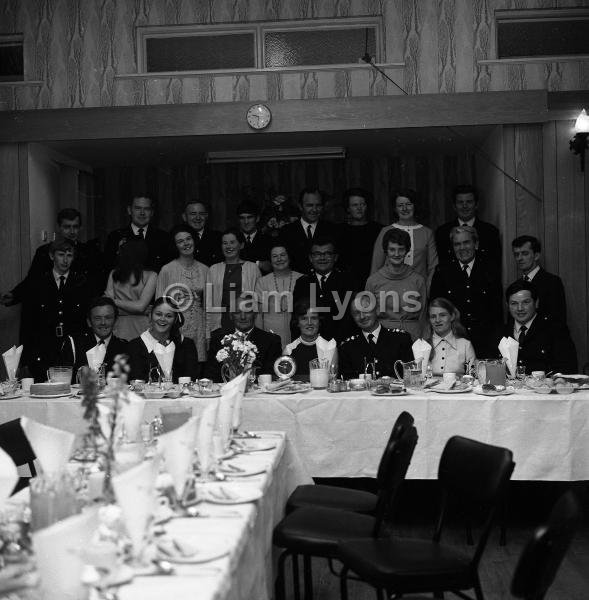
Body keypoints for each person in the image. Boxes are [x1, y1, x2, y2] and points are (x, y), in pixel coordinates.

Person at [16, 239, 92, 382]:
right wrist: (25, 360)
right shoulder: (37, 284)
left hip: (73, 349)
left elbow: (86, 321)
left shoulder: (81, 283)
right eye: (61, 254)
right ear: (52, 256)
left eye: (69, 255)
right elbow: (27, 323)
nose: (65, 260)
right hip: (44, 348)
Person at [1, 208, 103, 304]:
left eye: (75, 227)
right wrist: (14, 294)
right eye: (67, 227)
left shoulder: (89, 252)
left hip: (79, 306)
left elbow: (95, 283)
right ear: (59, 228)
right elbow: (33, 280)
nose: (72, 232)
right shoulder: (44, 251)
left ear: (80, 228)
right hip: (51, 305)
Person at [430, 225, 503, 358]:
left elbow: (497, 311)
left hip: (485, 341)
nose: (462, 248)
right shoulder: (443, 271)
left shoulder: (490, 269)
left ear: (476, 244)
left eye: (466, 242)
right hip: (453, 342)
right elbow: (436, 307)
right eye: (457, 244)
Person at [156, 225, 209, 369]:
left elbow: (209, 306)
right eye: (180, 241)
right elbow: (159, 305)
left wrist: (208, 333)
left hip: (200, 327)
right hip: (175, 327)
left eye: (188, 239)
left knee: (197, 369)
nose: (186, 243)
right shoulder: (167, 270)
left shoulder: (205, 270)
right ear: (175, 246)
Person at [498, 280, 576, 374]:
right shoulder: (500, 332)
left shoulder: (555, 330)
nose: (520, 308)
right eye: (514, 303)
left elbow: (567, 368)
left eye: (526, 302)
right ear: (507, 305)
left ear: (536, 303)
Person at [365, 228, 427, 341]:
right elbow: (368, 316)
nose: (397, 254)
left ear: (407, 250)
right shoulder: (373, 281)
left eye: (401, 249)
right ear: (386, 251)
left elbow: (423, 316)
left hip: (413, 337)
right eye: (392, 250)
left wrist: (425, 341)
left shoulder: (418, 280)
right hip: (384, 338)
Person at [292, 237, 359, 343]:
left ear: (335, 257)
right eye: (317, 254)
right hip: (310, 345)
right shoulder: (302, 283)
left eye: (327, 253)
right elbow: (296, 318)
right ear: (311, 258)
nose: (322, 258)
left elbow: (350, 318)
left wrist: (336, 344)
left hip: (343, 344)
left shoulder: (347, 281)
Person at [204, 293, 282, 382]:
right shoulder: (218, 340)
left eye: (248, 312)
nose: (243, 317)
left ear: (255, 314)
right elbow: (210, 375)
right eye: (237, 312)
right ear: (231, 315)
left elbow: (272, 376)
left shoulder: (271, 341)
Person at [338, 291, 413, 379]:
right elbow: (347, 383)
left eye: (366, 310)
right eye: (356, 313)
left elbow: (411, 377)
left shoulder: (401, 339)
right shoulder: (347, 347)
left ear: (376, 310)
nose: (362, 316)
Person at [370, 188, 437, 286]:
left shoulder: (427, 233)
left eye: (408, 204)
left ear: (415, 206)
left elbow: (433, 267)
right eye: (400, 205)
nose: (405, 208)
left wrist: (428, 289)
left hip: (417, 288)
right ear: (395, 209)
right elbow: (376, 266)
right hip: (388, 288)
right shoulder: (385, 231)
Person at [127, 296, 199, 382]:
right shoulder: (134, 346)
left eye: (169, 316)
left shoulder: (186, 344)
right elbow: (136, 381)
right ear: (150, 316)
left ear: (175, 319)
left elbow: (191, 379)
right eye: (158, 314)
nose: (162, 319)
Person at [206, 228, 261, 334]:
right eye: (225, 243)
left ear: (241, 245)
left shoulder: (252, 268)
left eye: (232, 242)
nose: (228, 246)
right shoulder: (213, 269)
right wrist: (208, 333)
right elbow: (209, 303)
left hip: (246, 321)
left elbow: (258, 302)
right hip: (220, 323)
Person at [435, 185, 501, 267]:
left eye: (469, 202)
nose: (464, 206)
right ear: (454, 206)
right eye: (460, 202)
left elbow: (495, 266)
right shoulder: (442, 232)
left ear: (476, 205)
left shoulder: (490, 232)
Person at [104, 239, 157, 341]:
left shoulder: (114, 274)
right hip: (136, 325)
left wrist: (114, 301)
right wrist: (138, 309)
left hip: (124, 326)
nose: (118, 253)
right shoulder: (151, 275)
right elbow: (141, 308)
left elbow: (140, 307)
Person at [104, 195, 170, 273]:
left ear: (152, 213)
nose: (142, 213)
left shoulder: (163, 237)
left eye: (147, 209)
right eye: (138, 208)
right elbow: (109, 267)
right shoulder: (115, 236)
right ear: (129, 210)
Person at [279, 188, 339, 274]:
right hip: (296, 284)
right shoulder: (286, 232)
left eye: (318, 205)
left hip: (325, 284)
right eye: (310, 205)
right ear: (300, 206)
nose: (314, 210)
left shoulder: (332, 230)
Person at [254, 244, 303, 348]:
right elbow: (258, 315)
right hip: (271, 336)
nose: (279, 259)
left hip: (299, 335)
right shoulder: (262, 282)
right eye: (275, 256)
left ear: (289, 257)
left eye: (283, 255)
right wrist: (260, 339)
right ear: (270, 260)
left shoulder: (302, 279)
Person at [511, 235, 567, 323]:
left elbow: (557, 319)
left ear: (536, 256)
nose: (519, 258)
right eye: (516, 254)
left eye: (525, 253)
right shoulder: (514, 286)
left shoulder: (552, 282)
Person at [70, 297, 128, 380]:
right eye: (97, 318)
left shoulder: (124, 347)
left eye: (108, 318)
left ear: (116, 321)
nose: (103, 322)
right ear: (89, 322)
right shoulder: (74, 344)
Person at [338, 188, 382, 286]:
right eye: (355, 205)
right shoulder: (339, 231)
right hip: (345, 285)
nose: (359, 208)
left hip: (373, 282)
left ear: (367, 206)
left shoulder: (379, 230)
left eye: (362, 204)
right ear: (348, 208)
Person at [283, 299, 337, 380]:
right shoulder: (289, 350)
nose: (309, 323)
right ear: (297, 323)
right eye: (304, 318)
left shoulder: (330, 347)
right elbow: (286, 383)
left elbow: (333, 380)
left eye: (314, 318)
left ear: (319, 321)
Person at [424, 297, 476, 376]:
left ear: (452, 316)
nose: (437, 320)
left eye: (442, 315)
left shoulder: (465, 345)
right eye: (433, 316)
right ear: (429, 320)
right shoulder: (423, 346)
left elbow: (473, 377)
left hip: (459, 388)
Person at [181, 200, 222, 266]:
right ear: (184, 217)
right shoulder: (176, 239)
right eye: (193, 214)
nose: (198, 217)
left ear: (206, 216)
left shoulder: (218, 237)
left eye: (202, 214)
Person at [236, 202, 272, 274]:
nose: (246, 222)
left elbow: (271, 267)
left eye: (249, 217)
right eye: (242, 218)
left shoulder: (268, 240)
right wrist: (259, 263)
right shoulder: (234, 240)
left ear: (257, 218)